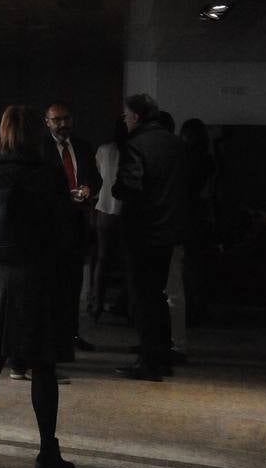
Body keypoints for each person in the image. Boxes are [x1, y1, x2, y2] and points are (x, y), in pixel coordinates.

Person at [0, 105, 75, 468]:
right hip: (38, 277)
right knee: (43, 367)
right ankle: (47, 455)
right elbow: (65, 235)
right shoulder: (50, 176)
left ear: (4, 134)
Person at [113, 93, 188, 381]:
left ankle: (149, 363)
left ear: (137, 117)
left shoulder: (135, 144)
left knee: (143, 299)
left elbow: (130, 186)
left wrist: (117, 189)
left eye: (127, 116)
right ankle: (163, 357)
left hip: (142, 232)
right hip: (169, 231)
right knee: (159, 295)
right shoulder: (176, 144)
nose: (125, 120)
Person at [41, 101, 101, 353]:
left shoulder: (83, 146)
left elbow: (95, 177)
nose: (62, 124)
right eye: (56, 120)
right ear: (47, 122)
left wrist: (88, 187)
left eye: (66, 118)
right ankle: (52, 337)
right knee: (51, 285)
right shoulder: (40, 149)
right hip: (51, 226)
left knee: (74, 283)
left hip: (77, 222)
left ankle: (71, 334)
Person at [172, 119, 216, 362]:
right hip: (201, 218)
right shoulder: (208, 160)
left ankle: (189, 316)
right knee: (196, 268)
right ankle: (198, 311)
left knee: (184, 270)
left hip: (186, 216)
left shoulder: (183, 160)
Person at [90, 117, 129, 318]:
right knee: (128, 261)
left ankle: (97, 304)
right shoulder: (134, 151)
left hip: (104, 208)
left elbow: (97, 177)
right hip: (127, 211)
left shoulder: (104, 150)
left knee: (102, 259)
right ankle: (126, 305)